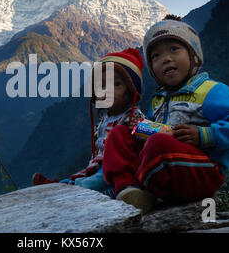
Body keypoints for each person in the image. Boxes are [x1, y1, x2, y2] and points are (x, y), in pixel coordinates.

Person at [102, 14, 229, 213]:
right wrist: (140, 129)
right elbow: (157, 134)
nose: (165, 59)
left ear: (193, 55)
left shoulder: (210, 90)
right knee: (118, 135)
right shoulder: (158, 99)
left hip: (202, 171)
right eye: (155, 56)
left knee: (158, 143)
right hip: (164, 167)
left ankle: (147, 189)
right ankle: (129, 190)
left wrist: (203, 134)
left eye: (174, 49)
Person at [32, 48, 146, 197]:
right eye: (102, 86)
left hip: (119, 166)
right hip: (99, 165)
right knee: (82, 176)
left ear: (131, 91)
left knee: (93, 182)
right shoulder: (104, 119)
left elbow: (145, 140)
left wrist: (139, 129)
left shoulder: (133, 116)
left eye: (116, 84)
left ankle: (69, 191)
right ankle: (60, 186)